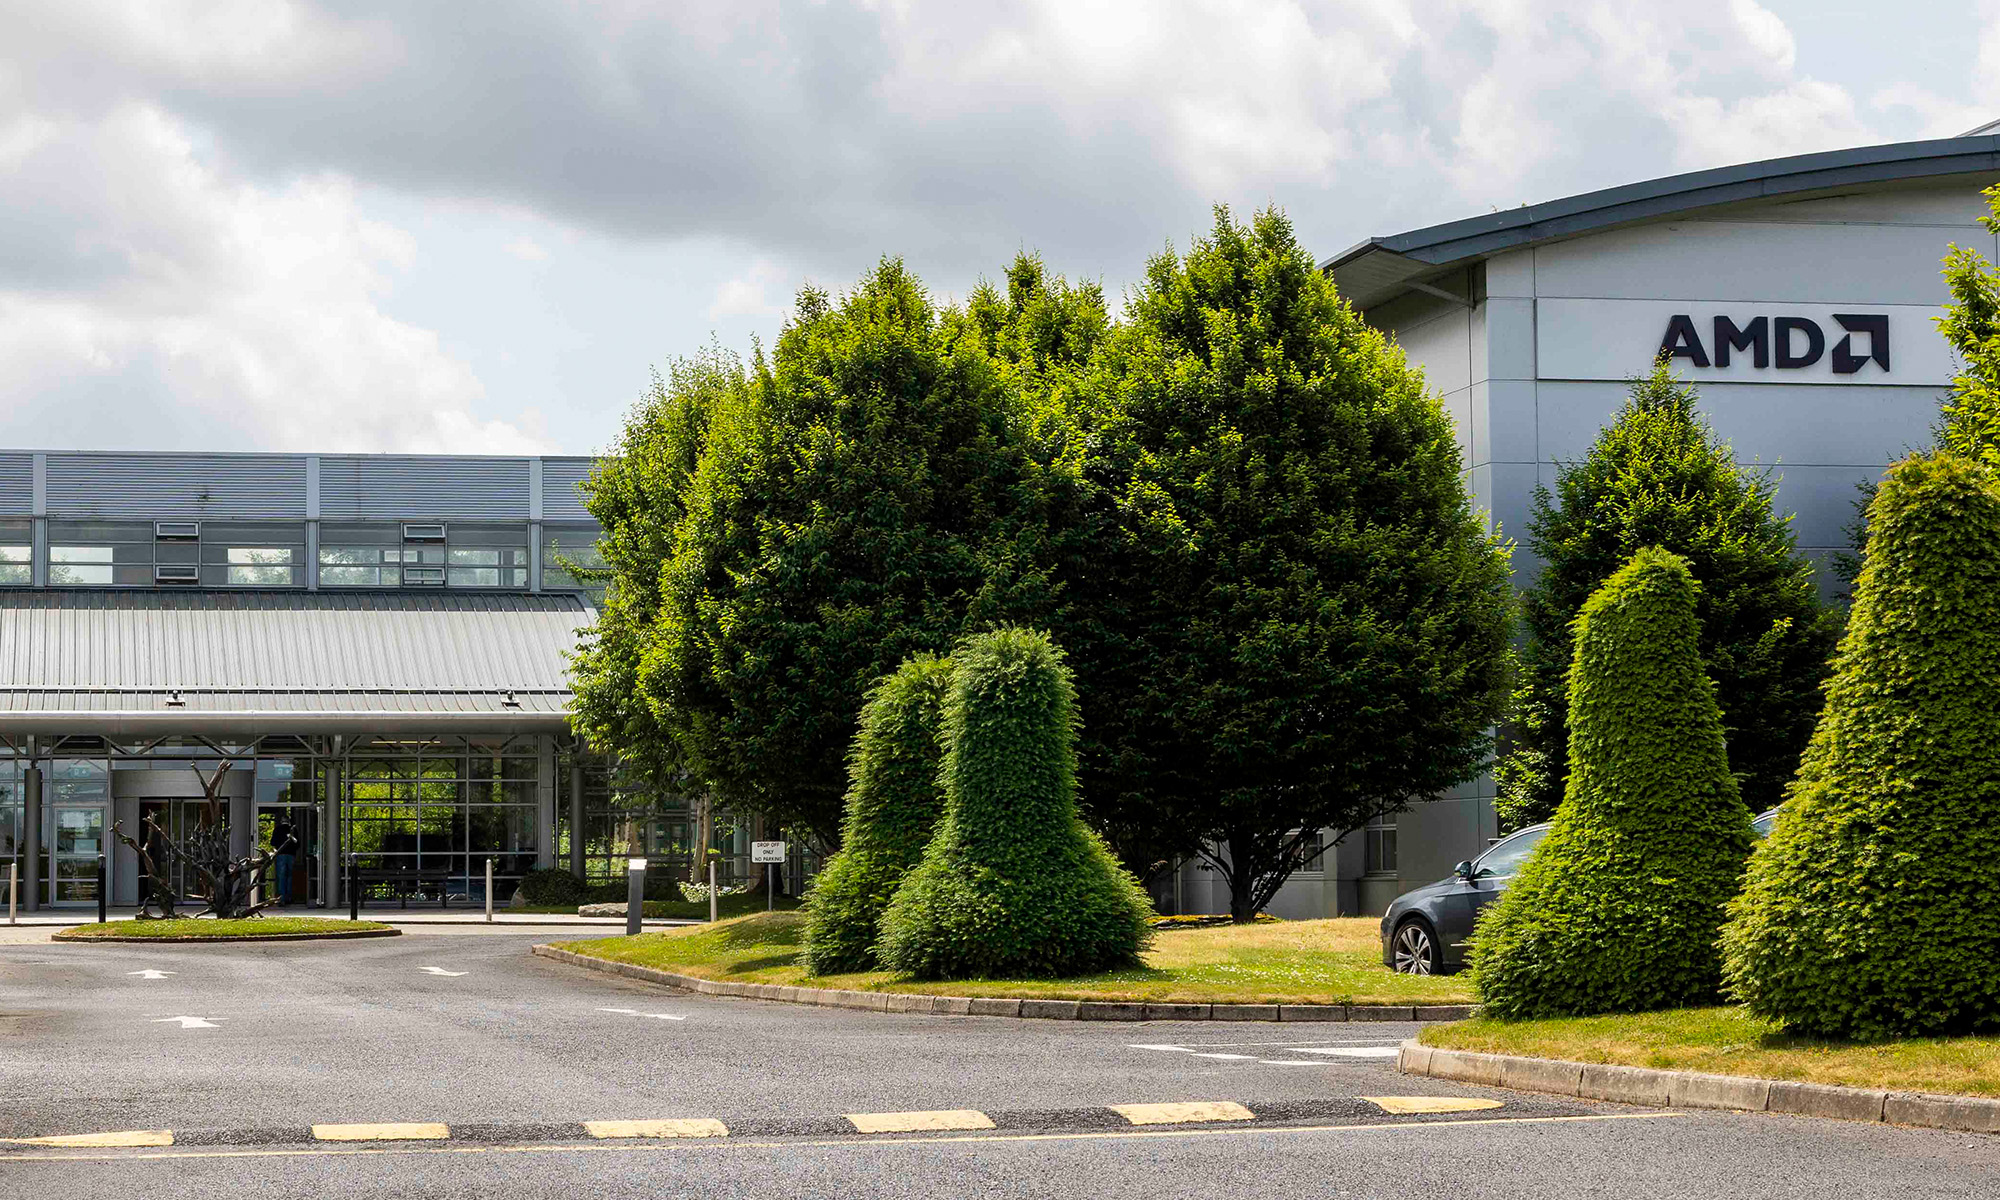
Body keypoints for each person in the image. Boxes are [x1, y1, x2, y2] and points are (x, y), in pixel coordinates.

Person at [270, 818, 296, 907]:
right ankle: (289, 897)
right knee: (289, 876)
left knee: (281, 877)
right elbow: (298, 843)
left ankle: (281, 898)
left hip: (281, 855)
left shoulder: (277, 830)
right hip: (291, 855)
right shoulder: (292, 830)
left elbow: (272, 842)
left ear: (281, 822)